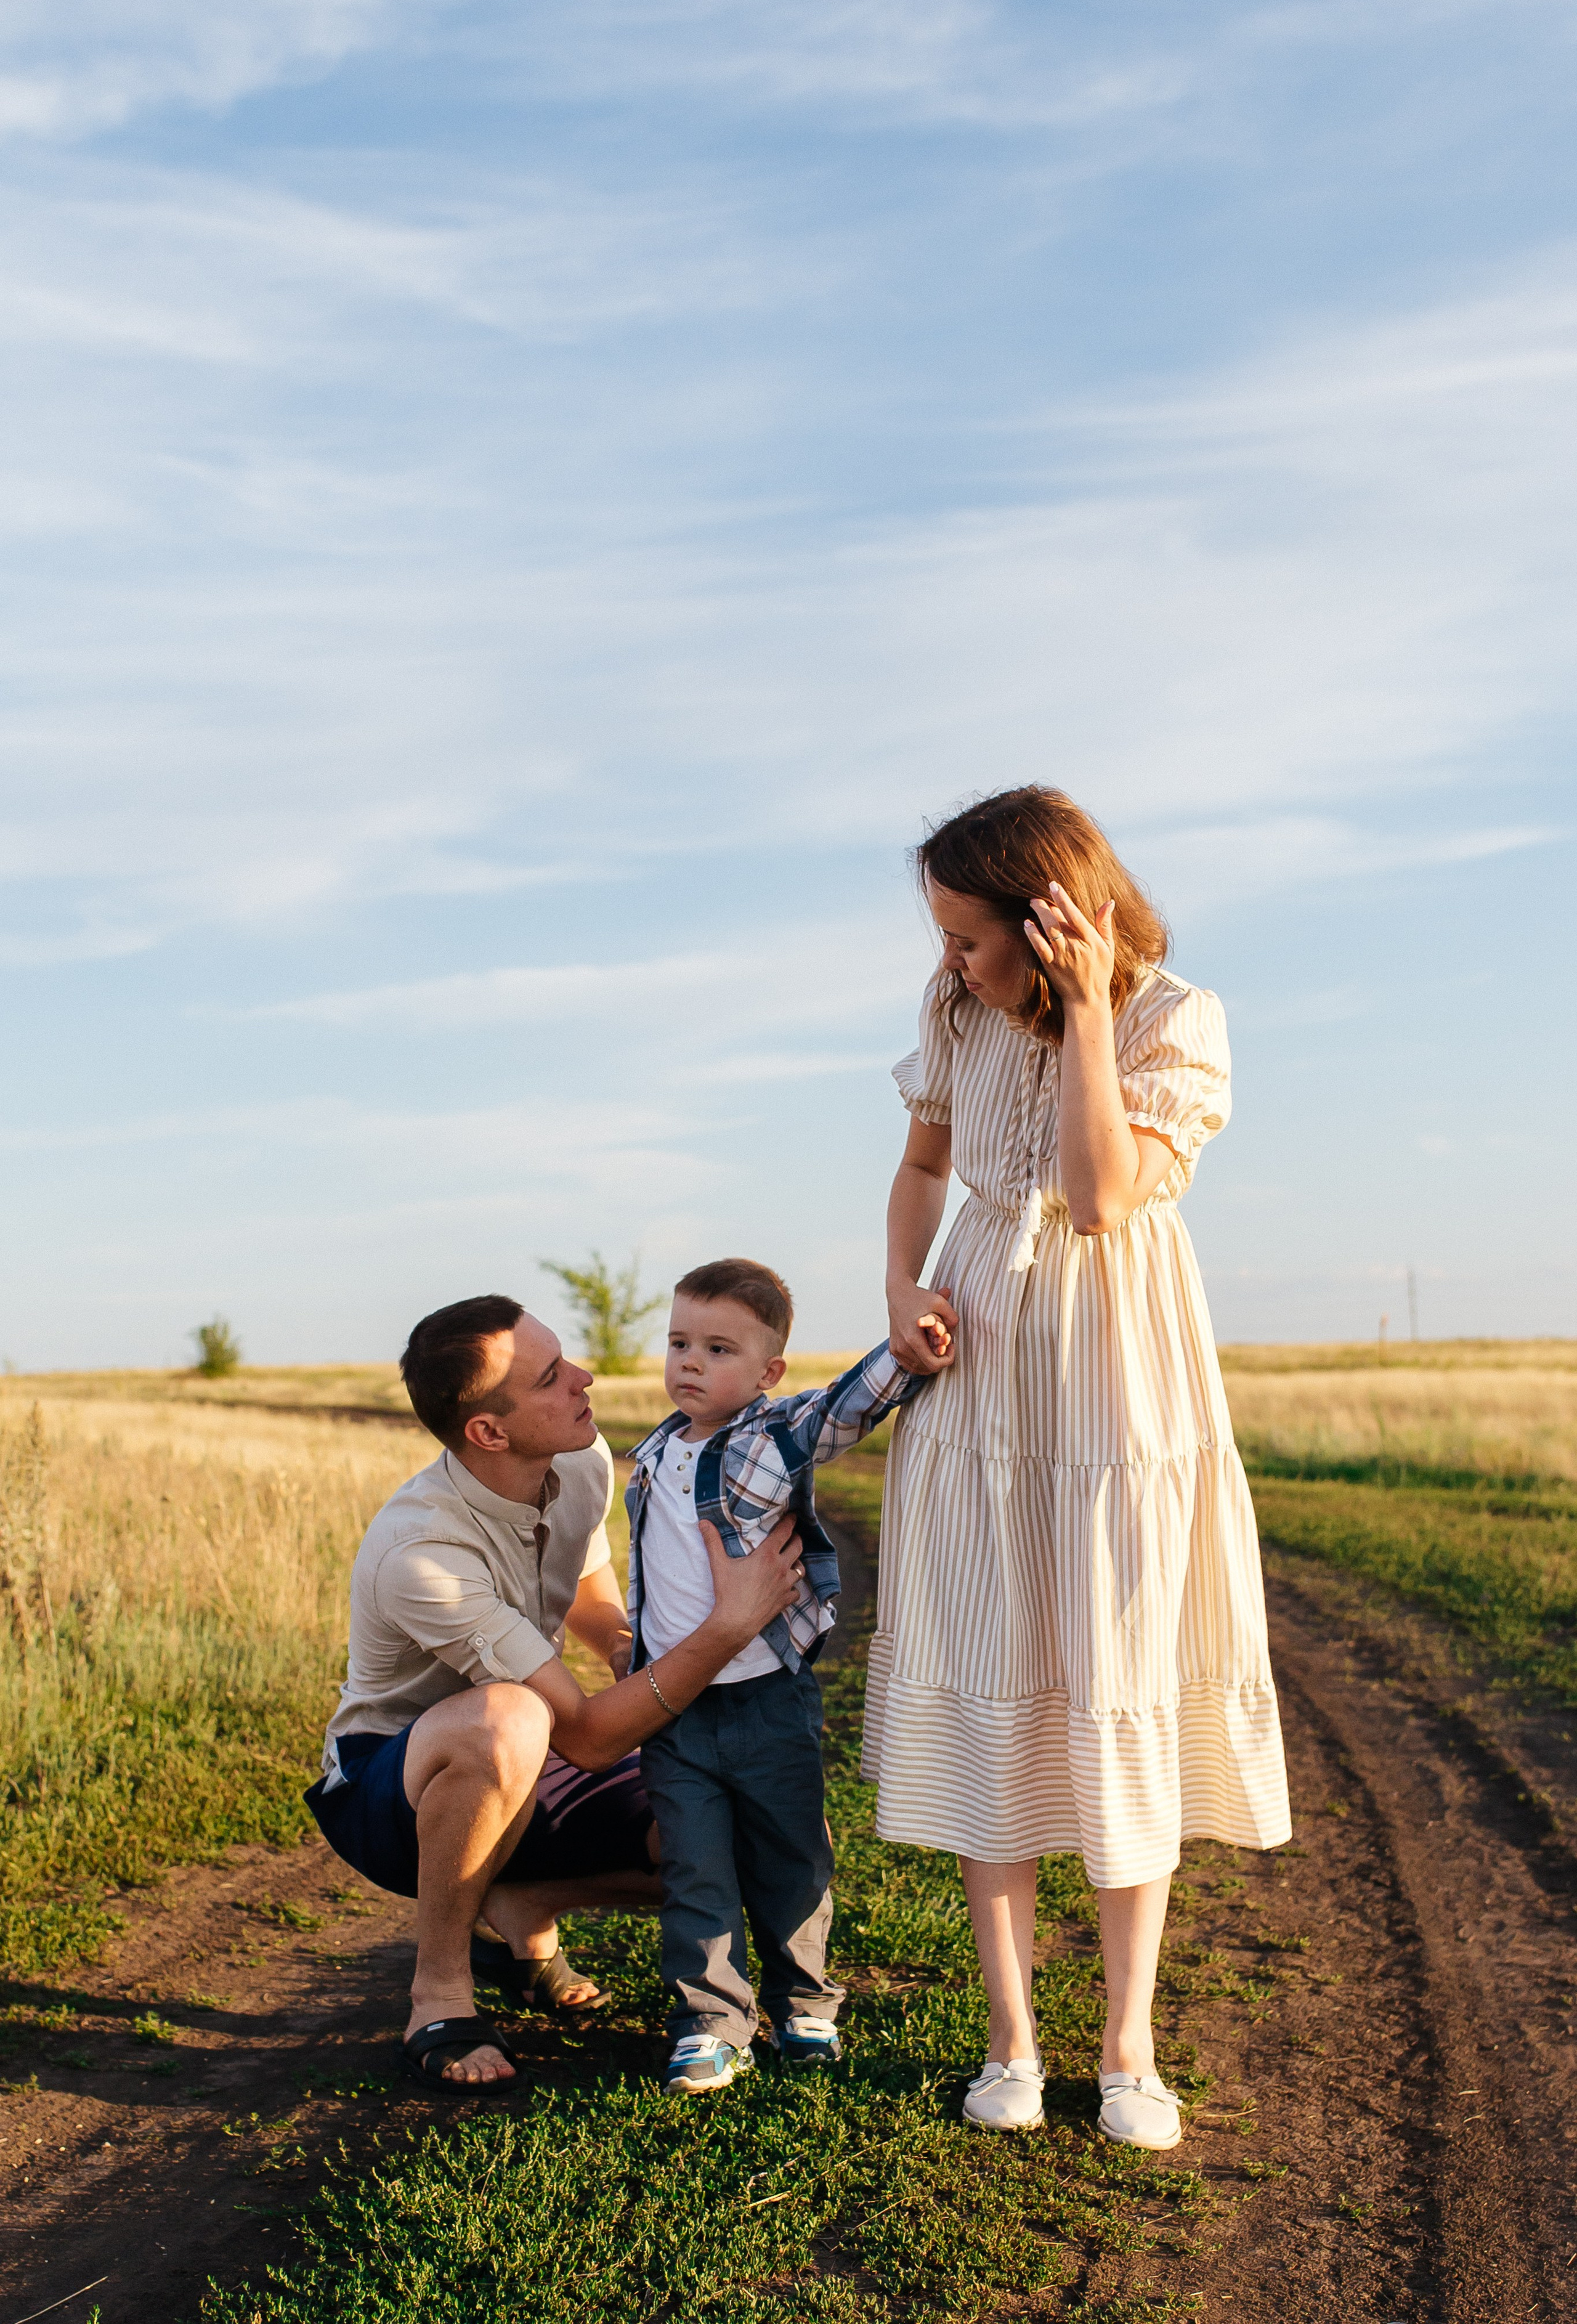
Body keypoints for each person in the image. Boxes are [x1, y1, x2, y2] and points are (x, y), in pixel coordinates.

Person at [862, 786, 1292, 2149]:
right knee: (993, 1657)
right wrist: (899, 1285)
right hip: (982, 1356)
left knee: (1119, 1671)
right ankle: (1011, 2040)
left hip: (1118, 1371)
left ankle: (1126, 2049)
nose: (949, 960)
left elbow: (1104, 1197)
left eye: (968, 935)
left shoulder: (1176, 1019)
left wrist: (1092, 1016)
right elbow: (922, 1161)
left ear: (1050, 923)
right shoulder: (957, 1008)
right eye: (941, 936)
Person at [304, 1292, 805, 2095]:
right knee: (508, 1717)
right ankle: (439, 1994)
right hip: (394, 1783)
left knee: (744, 1821)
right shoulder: (421, 1553)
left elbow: (582, 1576)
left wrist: (620, 1644)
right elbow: (590, 1738)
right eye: (551, 1376)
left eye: (564, 1357)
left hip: (533, 1755)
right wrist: (729, 1626)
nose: (585, 1377)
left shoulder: (579, 1458)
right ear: (489, 1432)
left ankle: (521, 1898)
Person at [626, 1257, 924, 2094]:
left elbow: (842, 1408)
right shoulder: (654, 1453)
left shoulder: (766, 1436)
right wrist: (635, 1650)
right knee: (695, 1869)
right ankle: (711, 2022)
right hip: (677, 1711)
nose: (690, 1362)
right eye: (680, 1342)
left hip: (768, 1701)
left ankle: (805, 2004)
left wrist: (906, 1348)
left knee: (793, 1858)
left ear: (768, 1373)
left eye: (719, 1349)